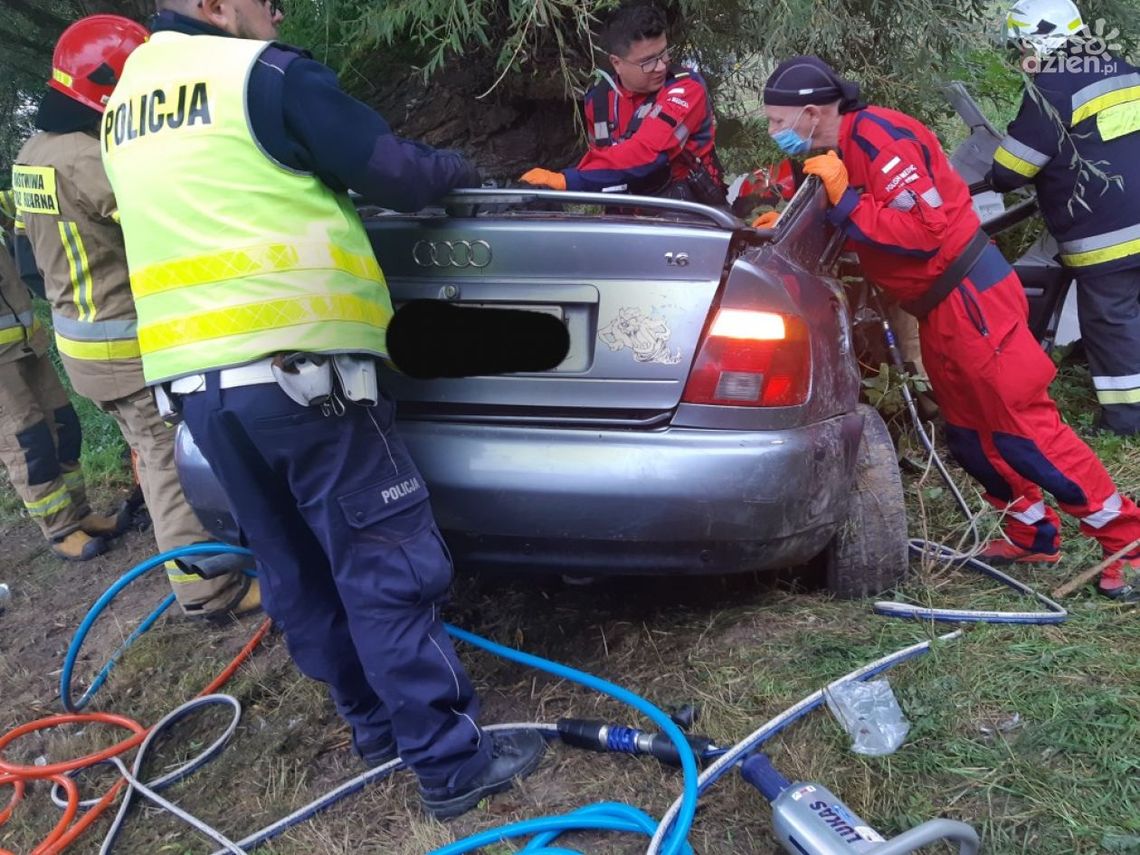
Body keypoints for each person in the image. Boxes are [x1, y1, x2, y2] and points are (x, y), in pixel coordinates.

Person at [100, 0, 545, 818]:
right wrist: (455, 171)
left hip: (201, 391)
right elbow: (391, 171)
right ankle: (451, 763)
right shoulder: (260, 75)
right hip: (301, 378)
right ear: (211, 6)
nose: (276, 11)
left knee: (292, 568)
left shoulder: (126, 103)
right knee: (384, 564)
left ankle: (375, 729)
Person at [761, 55, 1140, 600]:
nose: (774, 132)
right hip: (939, 309)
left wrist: (847, 202)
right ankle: (1030, 534)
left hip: (972, 299)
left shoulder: (882, 139)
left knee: (1024, 429)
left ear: (813, 112)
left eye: (778, 121)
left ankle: (1127, 539)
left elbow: (922, 230)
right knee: (971, 437)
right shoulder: (833, 149)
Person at [13, 15, 257, 619]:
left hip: (81, 344)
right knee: (171, 461)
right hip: (127, 344)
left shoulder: (32, 154)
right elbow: (172, 224)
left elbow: (25, 258)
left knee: (152, 456)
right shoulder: (90, 159)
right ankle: (207, 589)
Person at [988, 0, 1140, 436]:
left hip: (1108, 233)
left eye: (1021, 45)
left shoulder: (1053, 85)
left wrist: (992, 173)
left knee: (1111, 321)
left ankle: (1126, 422)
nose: (1021, 57)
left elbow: (1012, 169)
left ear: (1038, 39)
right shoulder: (1119, 67)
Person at [0, 179, 118, 560]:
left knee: (63, 424)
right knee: (27, 442)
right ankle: (60, 528)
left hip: (25, 340)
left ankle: (80, 512)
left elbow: (18, 207)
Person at [519, 1, 726, 205]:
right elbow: (603, 162)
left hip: (688, 212)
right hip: (625, 213)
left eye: (664, 53)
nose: (661, 67)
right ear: (616, 63)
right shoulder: (598, 102)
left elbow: (647, 154)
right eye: (649, 61)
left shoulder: (686, 89)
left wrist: (566, 180)